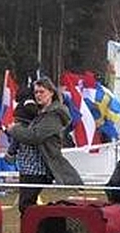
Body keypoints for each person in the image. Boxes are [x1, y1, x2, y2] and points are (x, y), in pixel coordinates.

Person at [5, 77, 83, 214]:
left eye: (42, 92)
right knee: (26, 207)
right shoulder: (40, 113)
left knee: (27, 207)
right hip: (28, 167)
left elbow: (34, 137)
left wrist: (13, 130)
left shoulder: (54, 116)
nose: (38, 95)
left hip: (37, 169)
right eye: (36, 92)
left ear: (51, 92)